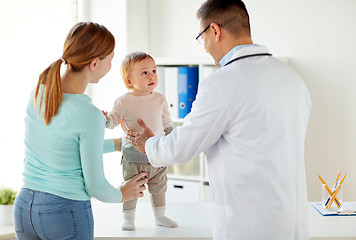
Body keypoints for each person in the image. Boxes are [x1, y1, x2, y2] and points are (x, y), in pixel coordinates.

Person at [127, 0, 311, 239]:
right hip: (293, 224)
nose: (204, 47)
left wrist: (148, 143)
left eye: (201, 37)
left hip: (249, 228)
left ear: (215, 30)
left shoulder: (223, 83)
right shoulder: (291, 77)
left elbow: (181, 148)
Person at [14, 22, 148, 240]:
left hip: (25, 209)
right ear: (95, 63)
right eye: (111, 59)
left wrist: (117, 144)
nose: (112, 65)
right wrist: (123, 193)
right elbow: (95, 186)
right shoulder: (89, 114)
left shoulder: (39, 94)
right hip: (64, 212)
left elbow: (64, 147)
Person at [104, 51, 177, 231]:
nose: (151, 76)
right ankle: (128, 218)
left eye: (154, 71)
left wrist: (171, 137)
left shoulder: (160, 99)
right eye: (144, 73)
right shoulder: (123, 101)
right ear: (129, 81)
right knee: (131, 189)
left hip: (157, 155)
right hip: (133, 156)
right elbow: (112, 121)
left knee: (159, 188)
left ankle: (160, 216)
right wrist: (104, 119)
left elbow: (166, 122)